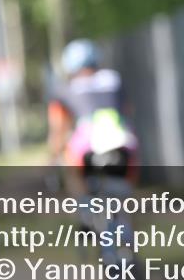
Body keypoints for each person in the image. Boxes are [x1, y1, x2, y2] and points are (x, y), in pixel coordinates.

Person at [48, 40, 139, 193]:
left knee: (72, 169)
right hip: (122, 140)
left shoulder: (65, 88)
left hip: (86, 144)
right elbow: (128, 110)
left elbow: (58, 128)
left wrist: (53, 156)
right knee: (130, 164)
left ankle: (85, 207)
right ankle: (125, 207)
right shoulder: (114, 79)